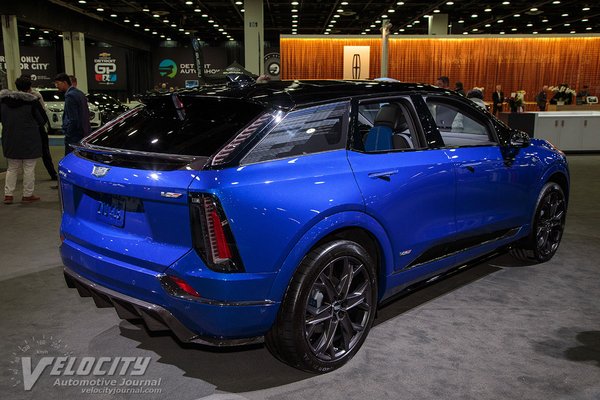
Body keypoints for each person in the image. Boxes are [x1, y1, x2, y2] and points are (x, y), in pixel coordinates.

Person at [0, 76, 46, 204]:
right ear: (29, 87)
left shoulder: (4, 101)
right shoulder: (32, 102)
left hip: (10, 138)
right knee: (29, 167)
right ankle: (27, 195)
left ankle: (8, 195)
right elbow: (42, 120)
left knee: (12, 167)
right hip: (29, 139)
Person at [20, 75, 58, 180]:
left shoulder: (15, 99)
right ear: (29, 85)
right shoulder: (35, 97)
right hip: (37, 128)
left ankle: (25, 176)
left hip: (23, 130)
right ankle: (52, 173)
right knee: (44, 152)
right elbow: (43, 114)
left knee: (25, 156)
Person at [54, 73, 90, 155]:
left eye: (58, 83)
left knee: (71, 157)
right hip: (83, 132)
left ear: (65, 82)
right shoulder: (80, 93)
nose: (56, 86)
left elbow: (73, 119)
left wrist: (68, 134)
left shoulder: (70, 96)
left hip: (74, 135)